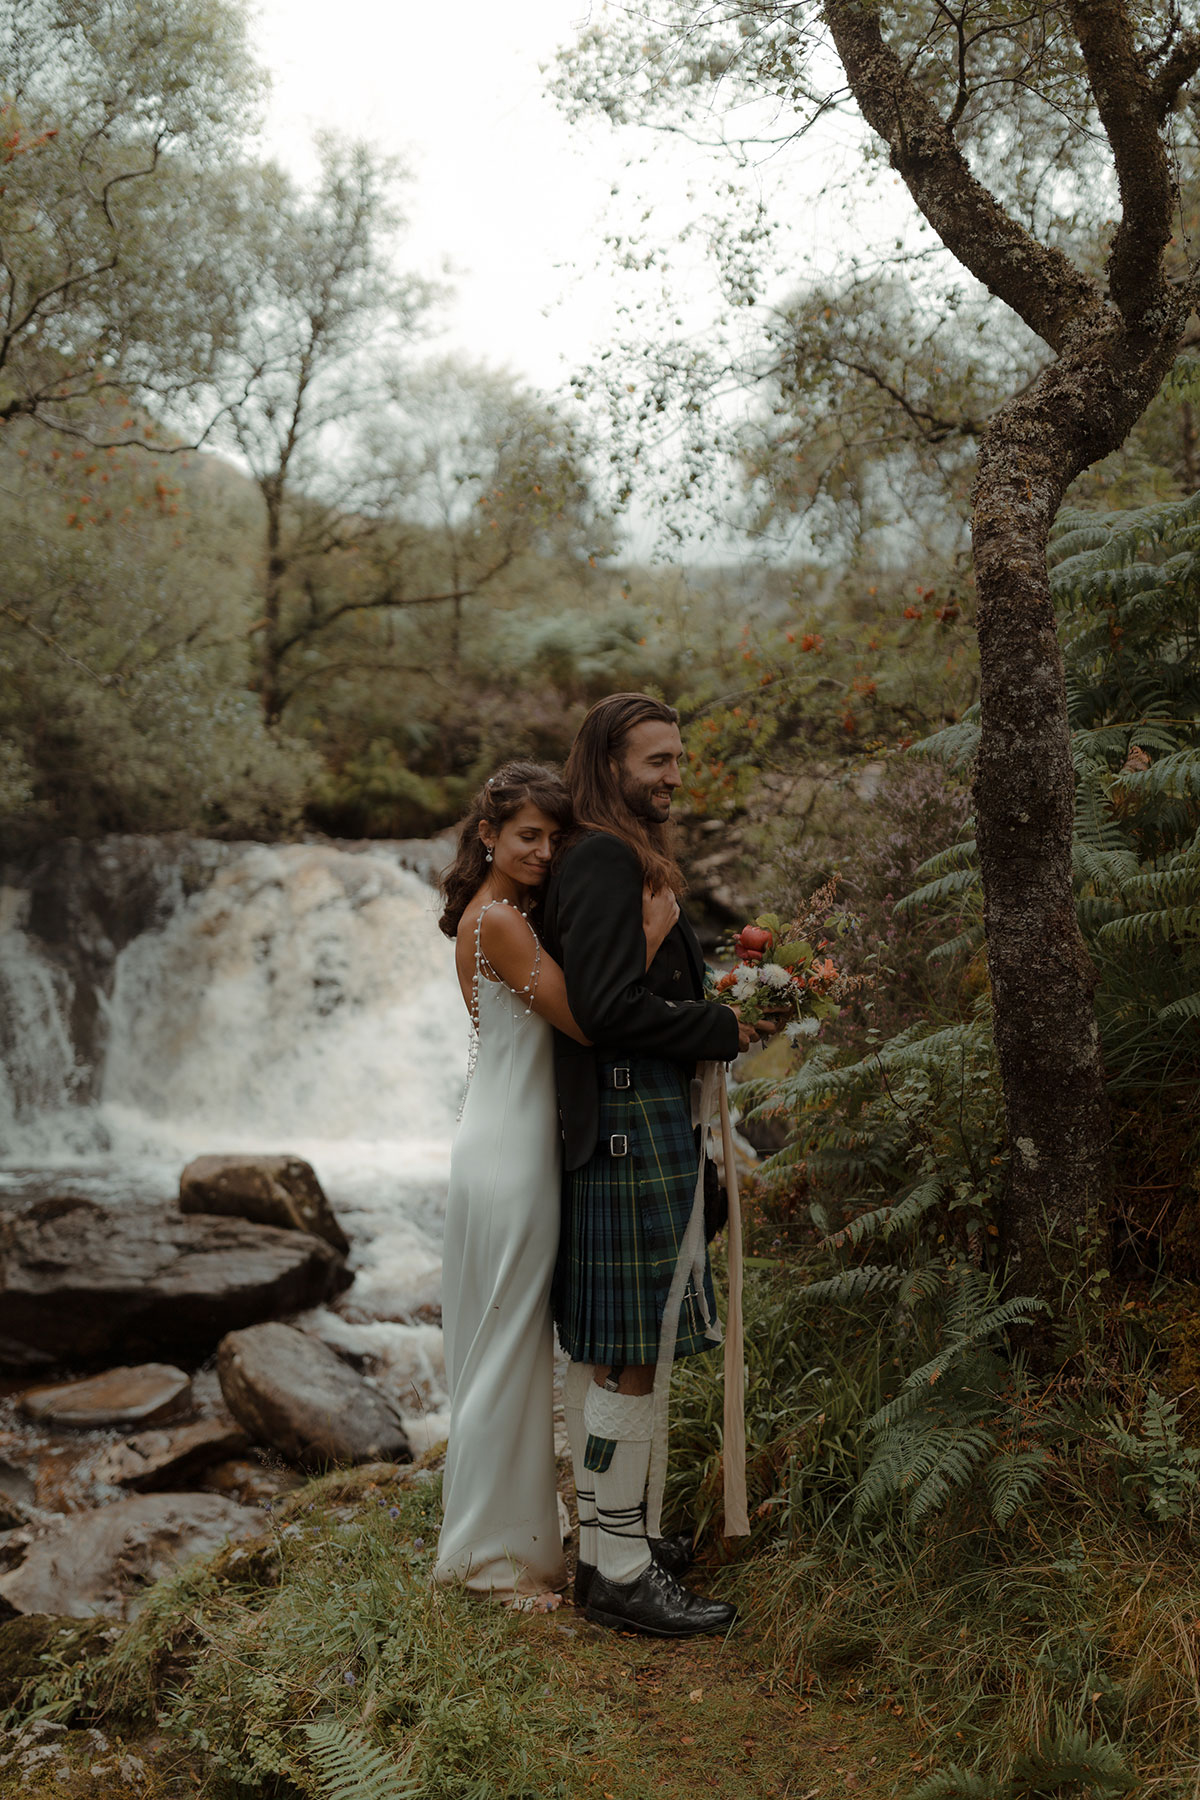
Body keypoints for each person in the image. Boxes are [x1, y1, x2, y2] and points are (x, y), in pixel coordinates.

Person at [433, 760, 679, 1601]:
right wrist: (645, 940)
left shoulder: (514, 915)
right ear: (488, 836)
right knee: (505, 1351)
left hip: (512, 1142)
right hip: (511, 1155)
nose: (543, 851)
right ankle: (488, 1567)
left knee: (507, 1345)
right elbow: (585, 1020)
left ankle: (521, 1541)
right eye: (527, 836)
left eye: (554, 838)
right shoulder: (497, 921)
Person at [542, 693, 756, 1638]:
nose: (673, 776)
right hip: (627, 1124)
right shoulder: (598, 854)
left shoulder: (616, 853)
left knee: (622, 1358)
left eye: (678, 760)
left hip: (642, 1122)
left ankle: (606, 1550)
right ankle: (621, 1571)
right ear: (609, 762)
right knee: (628, 1360)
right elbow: (600, 1006)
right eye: (656, 761)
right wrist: (722, 1027)